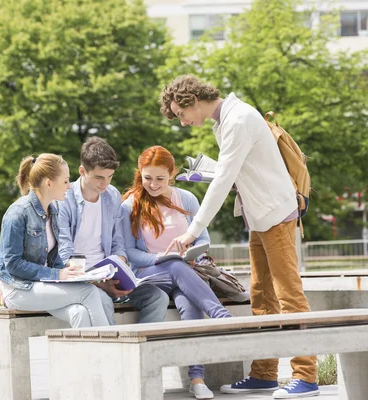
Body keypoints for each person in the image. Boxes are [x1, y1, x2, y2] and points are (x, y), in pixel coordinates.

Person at [159, 75, 319, 399]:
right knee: (261, 296)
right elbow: (239, 174)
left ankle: (307, 376)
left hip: (275, 216)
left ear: (192, 100)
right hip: (259, 219)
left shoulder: (239, 119)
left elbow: (222, 183)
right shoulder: (225, 123)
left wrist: (191, 232)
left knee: (289, 295)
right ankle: (264, 374)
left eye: (180, 114)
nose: (183, 122)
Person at [122, 145, 231, 400]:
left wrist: (194, 254)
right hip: (149, 274)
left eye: (160, 178)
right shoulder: (131, 205)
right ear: (140, 173)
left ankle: (197, 379)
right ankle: (221, 316)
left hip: (184, 272)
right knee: (173, 265)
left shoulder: (187, 199)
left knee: (189, 305)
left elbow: (203, 238)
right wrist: (161, 258)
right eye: (147, 177)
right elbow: (129, 252)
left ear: (172, 174)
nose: (153, 184)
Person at [58, 137, 169, 324]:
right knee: (103, 302)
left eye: (110, 177)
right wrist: (97, 281)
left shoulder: (111, 196)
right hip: (81, 280)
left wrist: (119, 271)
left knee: (158, 297)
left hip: (108, 275)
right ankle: (115, 351)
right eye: (99, 177)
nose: (105, 184)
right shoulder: (64, 199)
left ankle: (142, 349)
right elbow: (64, 253)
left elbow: (118, 243)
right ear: (82, 171)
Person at [0, 153, 109, 328]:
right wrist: (56, 274)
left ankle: (85, 355)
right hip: (16, 289)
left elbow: (52, 259)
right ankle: (111, 349)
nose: (69, 187)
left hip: (40, 285)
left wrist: (74, 272)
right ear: (48, 183)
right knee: (89, 292)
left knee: (79, 312)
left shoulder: (52, 210)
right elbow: (12, 264)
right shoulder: (17, 212)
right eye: (66, 181)